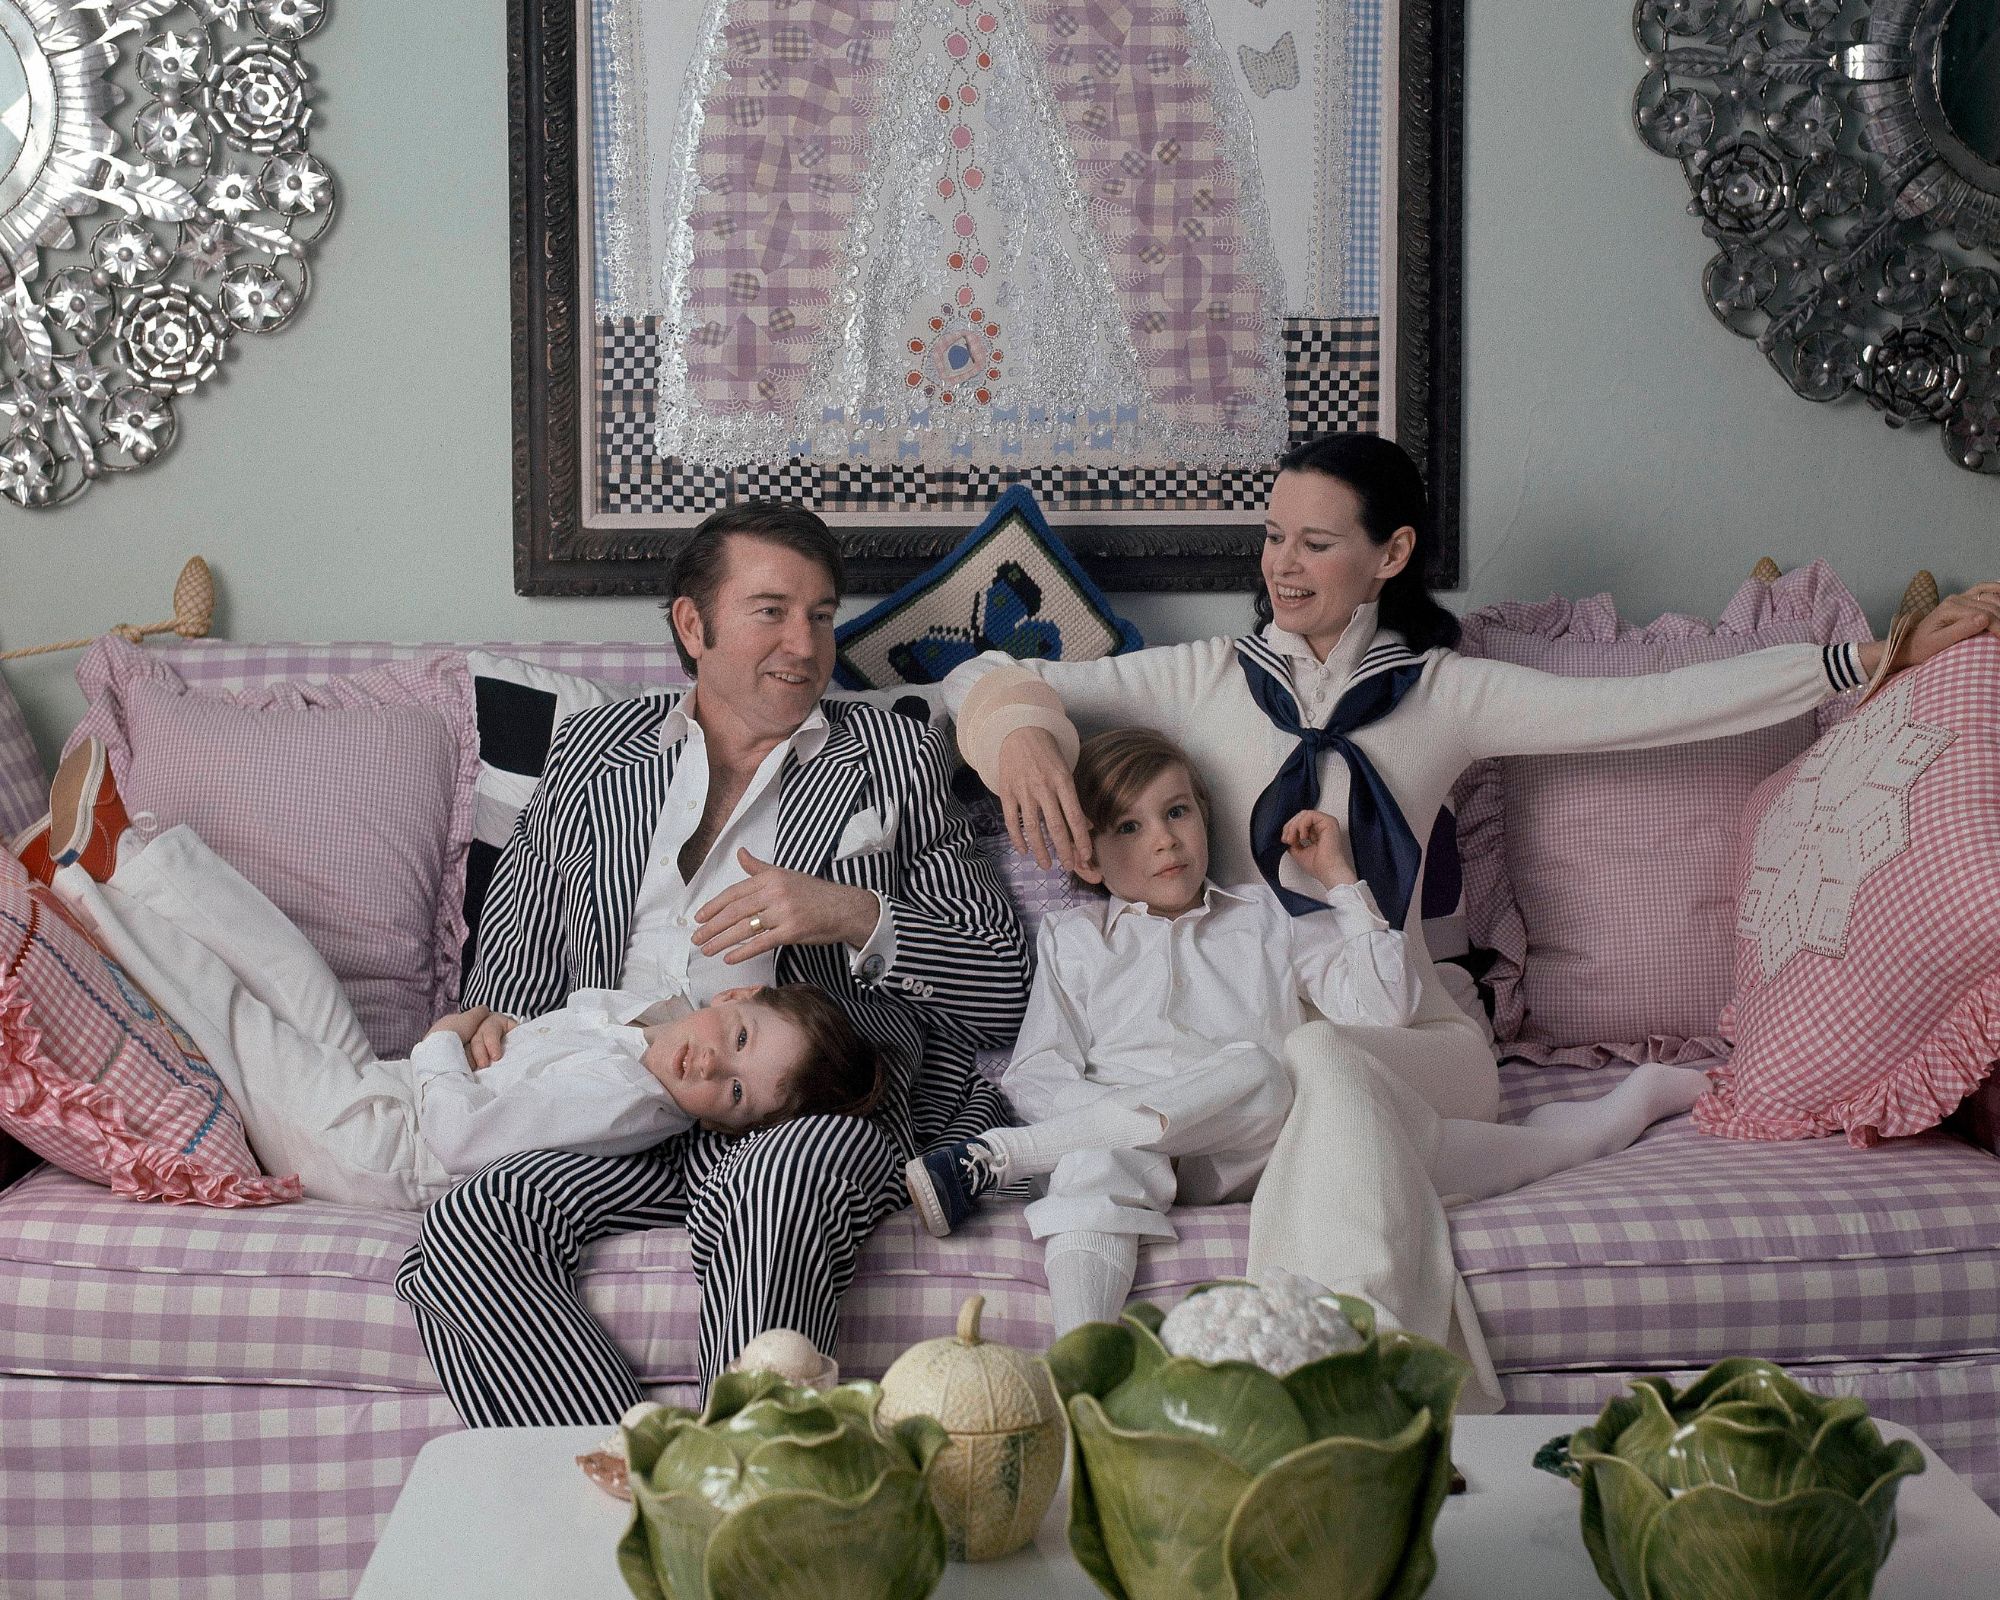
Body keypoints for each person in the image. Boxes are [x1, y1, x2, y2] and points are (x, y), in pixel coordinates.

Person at [944, 432, 2000, 1399]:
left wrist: (1865, 663)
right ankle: (1386, 1384)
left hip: (1413, 1034)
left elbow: (1645, 706)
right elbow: (987, 676)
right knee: (1300, 1060)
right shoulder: (1200, 678)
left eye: (1314, 542)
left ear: (1390, 552)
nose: (1280, 565)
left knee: (1320, 1063)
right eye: (1271, 536)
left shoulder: (1442, 694)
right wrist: (1026, 737)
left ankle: (1323, 1379)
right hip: (1258, 1038)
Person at [396, 503, 1030, 1424]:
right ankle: (643, 1485)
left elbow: (1002, 989)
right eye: (771, 610)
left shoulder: (892, 754)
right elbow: (517, 964)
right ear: (694, 626)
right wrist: (492, 1025)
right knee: (467, 1229)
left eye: (821, 614)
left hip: (795, 1107)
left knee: (777, 1181)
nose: (805, 644)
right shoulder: (590, 752)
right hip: (620, 1105)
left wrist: (848, 913)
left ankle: (753, 1477)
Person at [904, 727, 1706, 1334]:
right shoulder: (1076, 942)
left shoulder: (1262, 917)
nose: (1163, 839)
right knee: (1090, 1171)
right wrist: (1125, 1120)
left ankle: (1629, 1103)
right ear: (1084, 859)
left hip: (1269, 1140)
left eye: (1177, 811)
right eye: (1128, 827)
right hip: (1137, 1154)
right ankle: (1084, 1364)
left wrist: (1342, 882)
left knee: (1268, 1067)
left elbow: (1381, 1008)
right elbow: (1039, 1071)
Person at [30, 770, 882, 1212]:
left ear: (725, 1125)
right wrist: (497, 1023)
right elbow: (573, 1030)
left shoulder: (623, 1098)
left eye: (734, 1097)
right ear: (730, 1000)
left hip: (382, 1149)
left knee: (238, 1021)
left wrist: (446, 1034)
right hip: (397, 1092)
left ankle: (78, 890)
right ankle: (134, 856)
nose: (710, 1070)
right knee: (297, 975)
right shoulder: (649, 1032)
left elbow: (462, 1132)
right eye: (734, 1045)